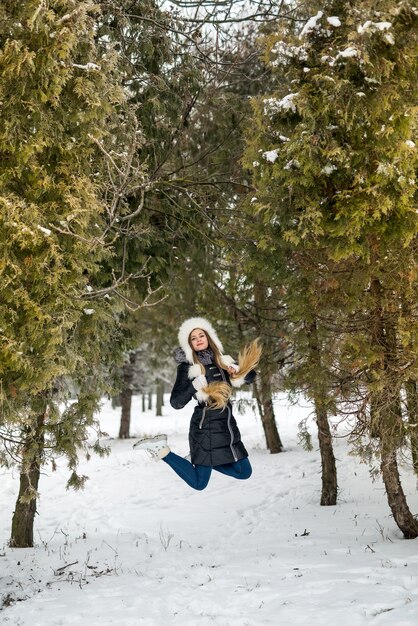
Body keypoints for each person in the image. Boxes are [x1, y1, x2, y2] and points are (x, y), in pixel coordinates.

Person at [133, 317, 257, 491]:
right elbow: (176, 402)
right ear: (189, 344)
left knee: (244, 472)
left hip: (227, 428)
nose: (198, 339)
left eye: (201, 335)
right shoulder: (187, 367)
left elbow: (252, 377)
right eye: (193, 338)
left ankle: (202, 459)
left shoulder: (223, 361)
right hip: (205, 428)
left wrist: (239, 371)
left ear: (209, 338)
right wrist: (194, 385)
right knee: (199, 483)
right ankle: (161, 450)